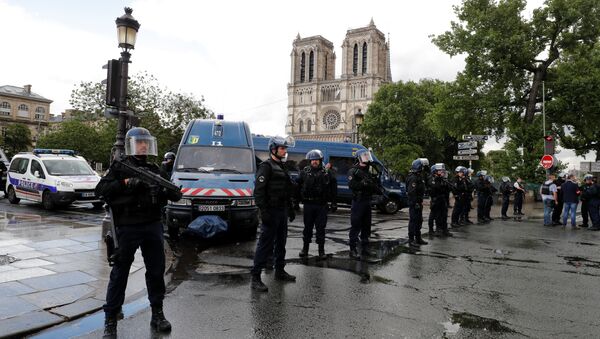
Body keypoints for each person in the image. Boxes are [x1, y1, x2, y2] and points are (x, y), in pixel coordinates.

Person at [96, 127, 182, 338]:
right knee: (120, 272)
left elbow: (175, 195)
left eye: (146, 142)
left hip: (152, 225)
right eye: (139, 142)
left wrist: (166, 190)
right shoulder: (120, 167)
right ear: (131, 144)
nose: (143, 146)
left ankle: (157, 313)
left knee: (155, 270)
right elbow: (101, 191)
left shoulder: (155, 169)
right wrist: (125, 183)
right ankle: (110, 319)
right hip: (127, 226)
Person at [251, 136, 297, 292]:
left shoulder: (282, 166)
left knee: (281, 242)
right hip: (270, 210)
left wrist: (290, 208)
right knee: (265, 244)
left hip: (282, 210)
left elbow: (286, 190)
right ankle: (255, 277)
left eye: (285, 148)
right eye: (282, 148)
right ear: (273, 149)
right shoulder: (266, 166)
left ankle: (280, 271)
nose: (285, 151)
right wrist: (263, 211)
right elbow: (258, 191)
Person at [296, 149, 337, 259]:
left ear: (320, 160)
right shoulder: (304, 172)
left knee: (321, 229)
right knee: (307, 228)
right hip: (308, 204)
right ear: (310, 161)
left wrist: (334, 202)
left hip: (321, 205)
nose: (314, 162)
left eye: (316, 160)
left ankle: (321, 251)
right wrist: (295, 201)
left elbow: (333, 188)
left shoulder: (327, 172)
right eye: (312, 160)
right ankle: (305, 249)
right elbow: (297, 185)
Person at [348, 149, 379, 258]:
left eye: (367, 156)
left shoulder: (368, 172)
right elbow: (352, 185)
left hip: (367, 201)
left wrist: (374, 187)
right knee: (356, 226)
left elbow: (373, 186)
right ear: (358, 158)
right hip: (358, 201)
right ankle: (353, 249)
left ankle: (365, 248)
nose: (366, 159)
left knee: (367, 226)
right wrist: (363, 184)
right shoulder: (353, 171)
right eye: (364, 157)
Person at [406, 158, 429, 247]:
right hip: (414, 202)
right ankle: (411, 240)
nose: (424, 168)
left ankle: (418, 238)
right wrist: (415, 202)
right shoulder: (413, 177)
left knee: (419, 220)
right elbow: (412, 192)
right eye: (423, 167)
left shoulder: (419, 176)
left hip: (418, 202)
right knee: (413, 220)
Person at [428, 163, 453, 237]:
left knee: (444, 215)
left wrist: (445, 181)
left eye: (442, 171)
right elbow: (435, 188)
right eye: (440, 171)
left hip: (442, 199)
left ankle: (444, 230)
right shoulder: (431, 178)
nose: (442, 172)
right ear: (435, 171)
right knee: (434, 216)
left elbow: (448, 189)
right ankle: (434, 230)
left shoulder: (442, 179)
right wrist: (440, 180)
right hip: (435, 200)